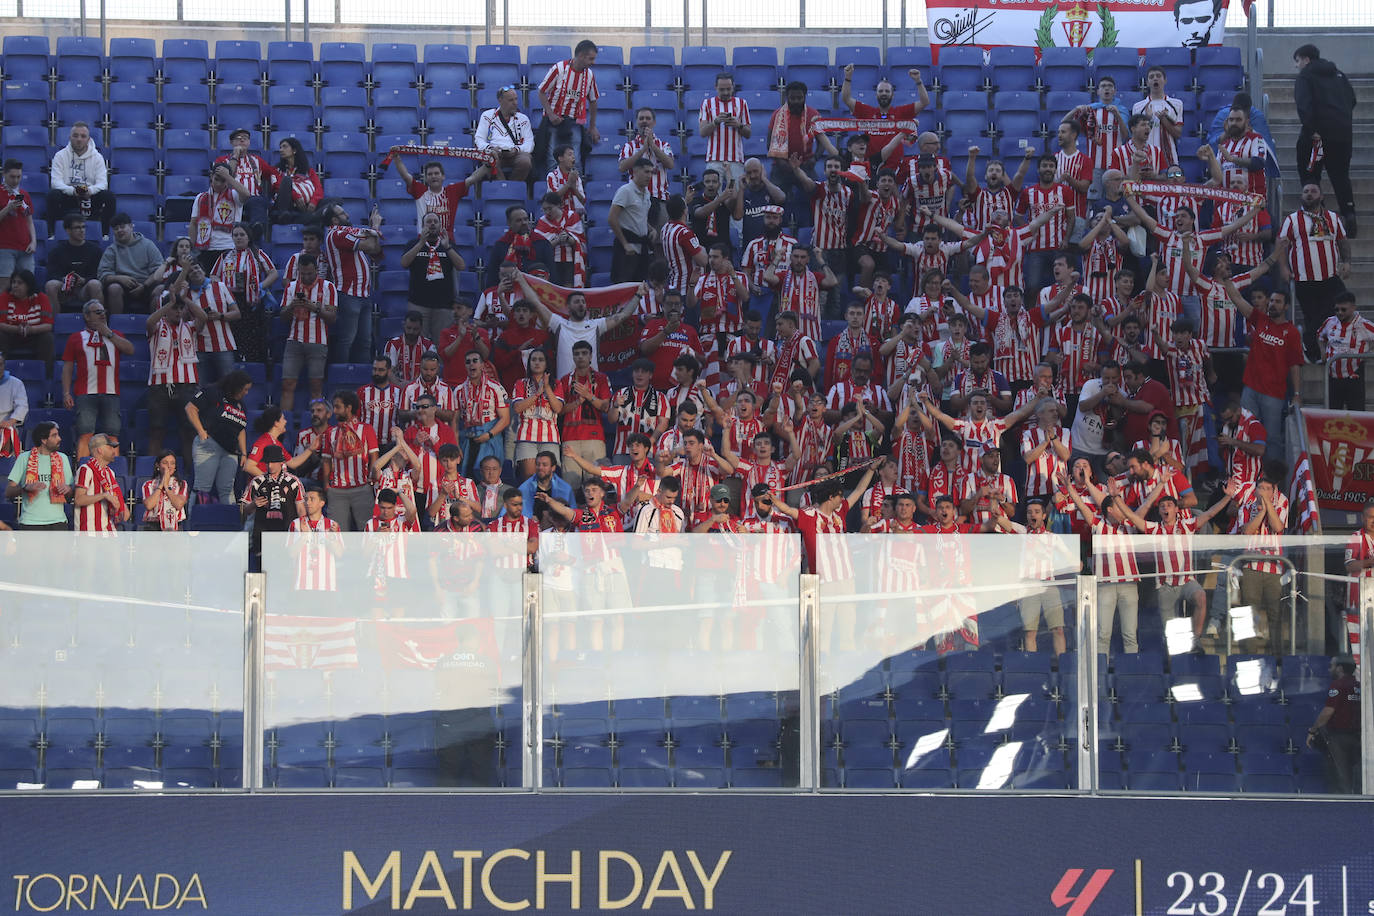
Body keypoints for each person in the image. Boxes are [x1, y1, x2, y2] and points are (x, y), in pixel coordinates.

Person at [1275, 183, 1352, 361]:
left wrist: (1347, 262)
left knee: (1336, 307)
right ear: (1301, 196)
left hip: (1330, 277)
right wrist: (1284, 268)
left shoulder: (1333, 217)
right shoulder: (1292, 219)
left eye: (1313, 191)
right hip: (1304, 279)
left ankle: (1308, 338)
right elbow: (1281, 243)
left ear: (1322, 196)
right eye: (1306, 191)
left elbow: (1342, 240)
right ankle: (1315, 354)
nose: (1309, 194)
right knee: (1312, 317)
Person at [519, 274, 639, 377]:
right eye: (577, 302)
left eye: (583, 302)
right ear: (568, 307)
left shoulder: (596, 325)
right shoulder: (559, 324)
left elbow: (624, 315)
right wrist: (521, 280)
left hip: (591, 387)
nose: (581, 304)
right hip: (566, 389)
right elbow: (535, 302)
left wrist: (638, 295)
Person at [1294, 44, 1358, 235]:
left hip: (1317, 136)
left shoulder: (1305, 76)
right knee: (1340, 175)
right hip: (1343, 134)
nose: (1297, 66)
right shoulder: (1339, 75)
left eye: (1297, 61)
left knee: (1310, 172)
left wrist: (1312, 129)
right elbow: (1352, 100)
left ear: (1306, 59)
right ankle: (1349, 214)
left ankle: (1317, 215)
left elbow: (1303, 104)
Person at [61, 299, 133, 459]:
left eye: (103, 312)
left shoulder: (115, 336)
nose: (102, 315)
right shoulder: (76, 338)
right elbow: (67, 367)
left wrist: (109, 333)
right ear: (86, 316)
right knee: (85, 433)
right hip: (85, 393)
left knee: (113, 435)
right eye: (97, 312)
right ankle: (82, 471)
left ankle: (113, 474)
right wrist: (66, 393)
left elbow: (130, 349)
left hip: (111, 392)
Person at [144, 281, 206, 460]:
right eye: (174, 308)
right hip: (160, 385)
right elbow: (149, 321)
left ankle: (188, 472)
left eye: (181, 308)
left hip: (186, 385)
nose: (178, 311)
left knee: (188, 431)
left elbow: (203, 318)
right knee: (157, 430)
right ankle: (151, 472)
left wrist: (186, 299)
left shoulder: (190, 327)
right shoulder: (157, 327)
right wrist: (169, 303)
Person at [320, 200, 384, 364]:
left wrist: (372, 234)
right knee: (347, 340)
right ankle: (341, 379)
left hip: (362, 294)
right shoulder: (337, 233)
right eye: (342, 213)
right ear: (334, 220)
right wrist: (375, 227)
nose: (347, 215)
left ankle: (360, 381)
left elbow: (375, 249)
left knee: (364, 342)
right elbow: (370, 244)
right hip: (349, 294)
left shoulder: (345, 232)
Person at [766, 81, 839, 222]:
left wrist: (815, 158)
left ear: (805, 97)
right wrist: (782, 163)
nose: (796, 101)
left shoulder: (813, 115)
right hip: (782, 166)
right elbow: (769, 143)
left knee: (817, 196)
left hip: (806, 165)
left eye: (799, 98)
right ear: (787, 97)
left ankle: (814, 229)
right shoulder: (777, 115)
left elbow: (822, 141)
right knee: (775, 201)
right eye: (792, 98)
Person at [840, 64, 931, 171]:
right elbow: (846, 99)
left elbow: (925, 102)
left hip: (895, 167)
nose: (884, 94)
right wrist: (848, 77)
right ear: (876, 94)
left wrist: (918, 81)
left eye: (887, 91)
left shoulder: (901, 112)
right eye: (881, 91)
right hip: (872, 166)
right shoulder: (867, 112)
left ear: (892, 95)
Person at [211, 221, 277, 366]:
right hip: (231, 302)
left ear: (248, 237)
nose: (238, 238)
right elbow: (213, 275)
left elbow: (273, 273)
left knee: (252, 337)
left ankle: (254, 369)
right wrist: (222, 288)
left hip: (251, 301)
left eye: (242, 235)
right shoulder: (225, 256)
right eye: (235, 235)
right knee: (233, 335)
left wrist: (260, 286)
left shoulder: (257, 254)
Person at [185, 368, 253, 505]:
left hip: (231, 451)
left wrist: (244, 453)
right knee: (202, 488)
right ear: (236, 386)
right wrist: (201, 431)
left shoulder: (241, 405)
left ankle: (229, 524)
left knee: (228, 490)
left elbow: (241, 429)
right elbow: (190, 408)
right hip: (210, 446)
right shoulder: (213, 392)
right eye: (245, 389)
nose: (247, 393)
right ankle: (194, 522)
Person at [279, 253, 338, 412]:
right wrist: (292, 306)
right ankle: (283, 425)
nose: (305, 276)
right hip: (294, 341)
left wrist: (315, 308)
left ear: (316, 270)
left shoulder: (328, 287)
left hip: (318, 342)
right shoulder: (291, 287)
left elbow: (332, 318)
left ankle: (316, 424)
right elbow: (283, 317)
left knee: (316, 385)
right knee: (287, 384)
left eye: (309, 273)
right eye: (302, 273)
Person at [319, 388, 382, 531]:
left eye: (338, 407)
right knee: (337, 533)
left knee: (366, 531)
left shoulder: (366, 429)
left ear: (349, 408)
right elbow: (327, 460)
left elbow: (374, 456)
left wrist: (371, 480)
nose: (334, 411)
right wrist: (326, 485)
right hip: (337, 491)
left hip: (362, 488)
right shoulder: (330, 432)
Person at [537, 39, 601, 174]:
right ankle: (554, 192)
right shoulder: (559, 69)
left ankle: (575, 191)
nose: (593, 63)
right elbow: (542, 91)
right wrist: (551, 114)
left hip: (575, 123)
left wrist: (592, 126)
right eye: (591, 59)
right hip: (554, 122)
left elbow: (593, 100)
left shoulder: (589, 75)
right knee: (553, 159)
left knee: (575, 160)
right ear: (581, 56)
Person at [401, 210, 463, 338]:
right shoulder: (413, 244)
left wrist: (448, 248)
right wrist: (420, 243)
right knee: (419, 343)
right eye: (429, 222)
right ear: (423, 226)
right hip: (418, 304)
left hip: (444, 305)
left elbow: (461, 266)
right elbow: (404, 263)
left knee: (441, 345)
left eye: (436, 221)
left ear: (440, 226)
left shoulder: (448, 244)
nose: (432, 224)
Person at [240, 444, 304, 567]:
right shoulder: (257, 481)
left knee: (286, 572)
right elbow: (244, 510)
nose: (269, 466)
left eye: (273, 462)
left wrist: (302, 534)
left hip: (287, 535)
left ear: (281, 462)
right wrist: (254, 504)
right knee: (263, 572)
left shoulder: (294, 481)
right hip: (262, 535)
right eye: (267, 462)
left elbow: (301, 509)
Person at [453, 348, 511, 478]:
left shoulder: (496, 388)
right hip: (467, 440)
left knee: (489, 478)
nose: (471, 364)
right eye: (468, 362)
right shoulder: (458, 390)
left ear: (482, 365)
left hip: (490, 437)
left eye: (475, 361)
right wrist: (456, 445)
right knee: (466, 477)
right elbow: (455, 421)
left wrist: (489, 434)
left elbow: (505, 419)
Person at [1307, 654, 1361, 794]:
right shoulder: (1359, 685)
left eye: (1332, 666)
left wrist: (1313, 730)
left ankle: (1342, 805)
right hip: (1357, 736)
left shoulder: (1339, 685)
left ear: (1340, 668)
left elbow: (1328, 712)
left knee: (1339, 775)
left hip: (1339, 738)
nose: (1329, 669)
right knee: (1354, 773)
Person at [5, 421, 73, 530]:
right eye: (54, 436)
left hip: (58, 522)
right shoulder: (24, 458)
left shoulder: (63, 458)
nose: (59, 438)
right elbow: (8, 492)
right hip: (30, 522)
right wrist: (26, 488)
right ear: (44, 440)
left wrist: (68, 489)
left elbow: (70, 494)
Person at [47, 122, 113, 234]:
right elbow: (55, 182)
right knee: (52, 195)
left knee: (109, 196)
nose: (79, 139)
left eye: (83, 136)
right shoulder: (60, 156)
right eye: (75, 135)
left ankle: (105, 234)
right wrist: (73, 191)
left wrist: (90, 191)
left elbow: (103, 183)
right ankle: (52, 233)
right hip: (69, 195)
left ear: (88, 139)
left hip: (90, 197)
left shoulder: (97, 157)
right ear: (70, 137)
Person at [510, 349, 564, 481]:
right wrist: (537, 394)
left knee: (548, 478)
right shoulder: (520, 383)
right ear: (529, 363)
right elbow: (517, 408)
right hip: (526, 436)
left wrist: (547, 388)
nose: (537, 363)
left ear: (547, 364)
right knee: (529, 478)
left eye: (541, 360)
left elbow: (558, 408)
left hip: (550, 438)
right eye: (534, 360)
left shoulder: (556, 384)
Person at [97, 213, 163, 314]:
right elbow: (102, 275)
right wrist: (120, 278)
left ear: (131, 227)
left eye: (122, 227)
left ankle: (155, 326)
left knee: (160, 289)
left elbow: (160, 271)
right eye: (116, 228)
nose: (119, 230)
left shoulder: (148, 245)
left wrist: (144, 286)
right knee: (114, 288)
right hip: (123, 289)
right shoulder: (111, 250)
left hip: (146, 285)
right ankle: (115, 326)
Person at [214, 127, 277, 233]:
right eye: (238, 138)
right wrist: (235, 155)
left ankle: (256, 231)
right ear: (231, 142)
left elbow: (272, 175)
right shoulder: (222, 160)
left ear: (249, 142)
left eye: (245, 138)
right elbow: (226, 176)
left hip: (253, 199)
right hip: (230, 199)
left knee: (258, 200)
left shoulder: (257, 160)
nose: (242, 140)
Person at [1319, 291, 1374, 411]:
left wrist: (1369, 352)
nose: (1340, 313)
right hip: (1332, 376)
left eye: (1344, 309)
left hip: (1354, 375)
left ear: (1353, 308)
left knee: (1356, 414)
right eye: (1337, 309)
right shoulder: (1330, 322)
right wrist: (1323, 352)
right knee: (1332, 414)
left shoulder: (1363, 325)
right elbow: (1320, 336)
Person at [191, 162, 250, 270]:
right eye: (216, 179)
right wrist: (193, 248)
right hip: (205, 249)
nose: (218, 184)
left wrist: (228, 176)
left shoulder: (234, 195)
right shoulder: (200, 197)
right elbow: (193, 223)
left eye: (223, 181)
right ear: (211, 176)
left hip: (227, 247)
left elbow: (246, 194)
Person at [698, 72, 752, 184]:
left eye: (728, 89)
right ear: (715, 87)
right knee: (713, 195)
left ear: (733, 87)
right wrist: (716, 122)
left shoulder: (742, 103)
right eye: (722, 89)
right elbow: (702, 132)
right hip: (714, 159)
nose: (725, 92)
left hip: (736, 159)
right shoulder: (707, 103)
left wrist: (738, 125)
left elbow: (748, 134)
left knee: (735, 194)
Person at [43, 214, 103, 311]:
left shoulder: (95, 250)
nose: (82, 230)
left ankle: (98, 322)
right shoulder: (57, 251)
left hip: (85, 288)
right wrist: (65, 279)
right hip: (64, 288)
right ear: (68, 230)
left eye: (83, 227)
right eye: (77, 228)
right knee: (50, 285)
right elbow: (51, 274)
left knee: (95, 284)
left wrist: (84, 280)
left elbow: (99, 274)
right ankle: (53, 323)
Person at [609, 159, 655, 283]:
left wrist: (651, 229)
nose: (649, 176)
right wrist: (624, 244)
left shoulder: (647, 193)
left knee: (639, 286)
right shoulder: (625, 191)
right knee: (623, 287)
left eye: (651, 172)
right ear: (635, 171)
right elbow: (612, 218)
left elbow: (641, 217)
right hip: (627, 247)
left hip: (641, 247)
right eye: (646, 172)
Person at [474, 86, 535, 180]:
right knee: (491, 159)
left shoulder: (523, 119)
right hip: (495, 152)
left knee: (525, 161)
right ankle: (503, 188)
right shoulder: (487, 116)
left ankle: (512, 187)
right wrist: (490, 148)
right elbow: (479, 139)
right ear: (500, 100)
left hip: (516, 153)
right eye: (511, 100)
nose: (515, 103)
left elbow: (530, 143)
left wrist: (516, 149)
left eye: (516, 99)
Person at [0, 270, 55, 374]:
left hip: (34, 337)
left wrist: (32, 330)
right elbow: (0, 324)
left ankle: (45, 376)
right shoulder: (4, 297)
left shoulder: (42, 298)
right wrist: (17, 329)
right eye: (13, 282)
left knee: (48, 338)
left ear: (29, 285)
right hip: (11, 336)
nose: (15, 286)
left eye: (19, 283)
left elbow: (48, 326)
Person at [485, 205, 554, 285]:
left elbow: (552, 273)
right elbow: (492, 276)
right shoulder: (501, 245)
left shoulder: (542, 242)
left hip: (537, 291)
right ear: (509, 223)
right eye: (518, 220)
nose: (524, 223)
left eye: (525, 219)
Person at [73, 433, 127, 534]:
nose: (114, 451)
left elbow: (113, 496)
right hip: (89, 532)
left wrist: (121, 507)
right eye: (110, 447)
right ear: (100, 450)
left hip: (109, 530)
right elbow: (79, 500)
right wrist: (104, 496)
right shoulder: (85, 470)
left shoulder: (110, 472)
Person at [1131, 66, 1183, 165]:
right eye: (1151, 77)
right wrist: (1147, 119)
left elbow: (1178, 134)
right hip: (1145, 156)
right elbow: (1135, 135)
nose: (1155, 78)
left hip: (1169, 156)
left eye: (1158, 76)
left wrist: (1164, 120)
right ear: (1147, 82)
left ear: (1165, 80)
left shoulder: (1176, 104)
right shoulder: (1138, 106)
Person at [0, 158, 36, 290]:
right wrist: (8, 208)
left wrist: (34, 242)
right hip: (4, 247)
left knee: (29, 285)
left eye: (18, 177)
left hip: (25, 247)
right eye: (12, 177)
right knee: (4, 285)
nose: (15, 180)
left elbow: (29, 221)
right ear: (4, 174)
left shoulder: (23, 195)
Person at [270, 136, 323, 224]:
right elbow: (277, 186)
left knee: (333, 202)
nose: (281, 150)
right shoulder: (276, 170)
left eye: (285, 147)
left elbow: (318, 188)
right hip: (285, 204)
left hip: (306, 205)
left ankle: (307, 217)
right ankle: (284, 215)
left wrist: (313, 202)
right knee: (286, 180)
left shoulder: (308, 171)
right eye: (280, 147)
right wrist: (296, 196)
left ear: (294, 150)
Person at [140, 449, 191, 531]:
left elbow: (179, 504)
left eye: (172, 463)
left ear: (175, 467)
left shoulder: (182, 484)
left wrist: (166, 486)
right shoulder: (148, 484)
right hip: (153, 527)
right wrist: (161, 484)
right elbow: (149, 505)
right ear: (158, 466)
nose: (169, 466)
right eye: (165, 463)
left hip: (175, 526)